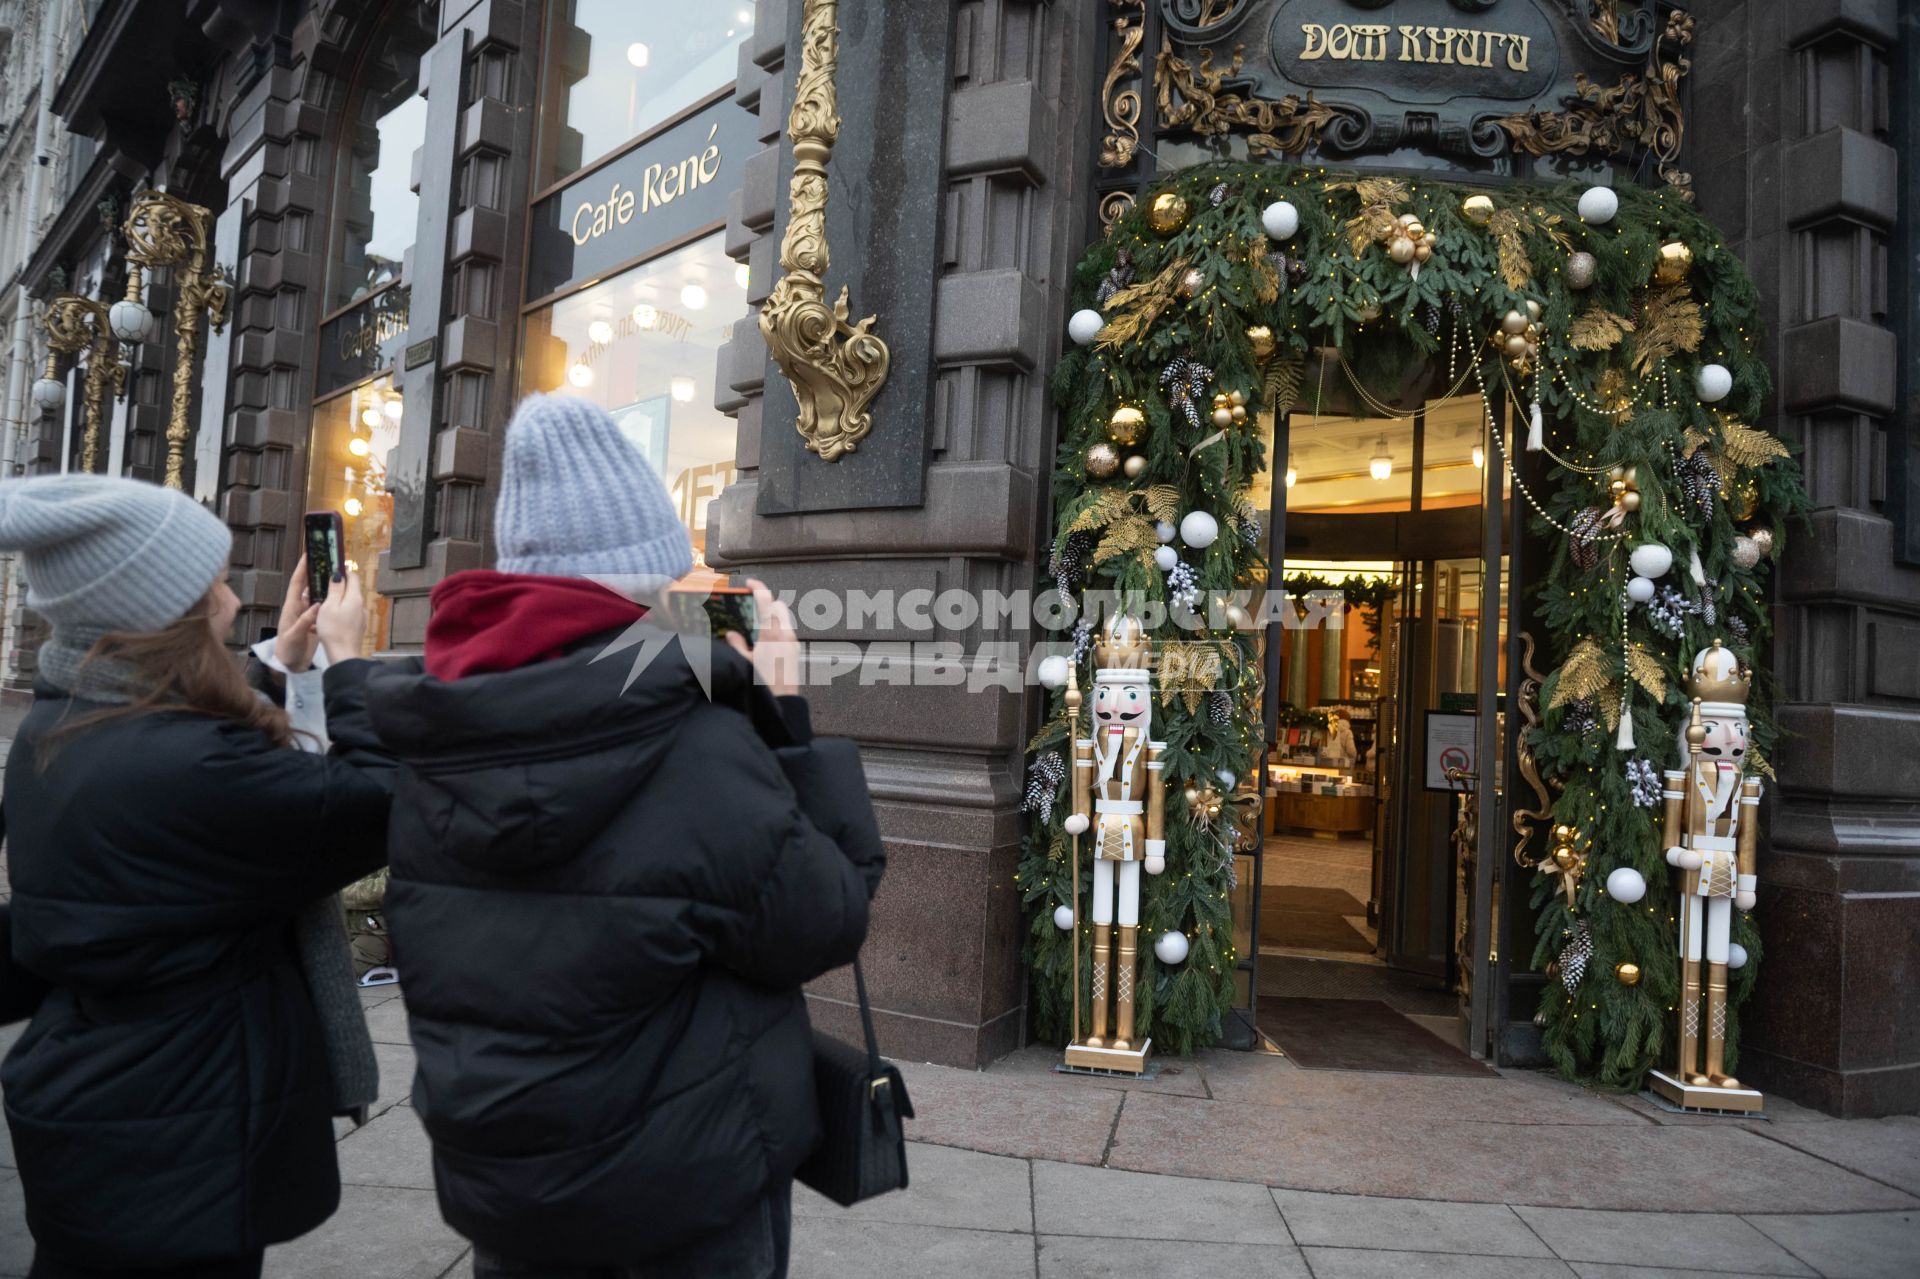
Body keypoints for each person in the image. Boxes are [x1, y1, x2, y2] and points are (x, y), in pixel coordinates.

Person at [369, 394, 885, 1279]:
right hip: (682, 1198)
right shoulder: (698, 746)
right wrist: (782, 718)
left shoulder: (439, 738)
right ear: (645, 592)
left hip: (511, 1192)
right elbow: (826, 914)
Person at [0, 475, 396, 1279]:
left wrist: (280, 663)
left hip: (114, 1110)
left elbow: (180, 733)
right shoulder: (183, 764)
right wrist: (351, 662)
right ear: (165, 605)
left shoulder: (65, 717)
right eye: (209, 577)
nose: (228, 589)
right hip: (183, 1127)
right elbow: (372, 802)